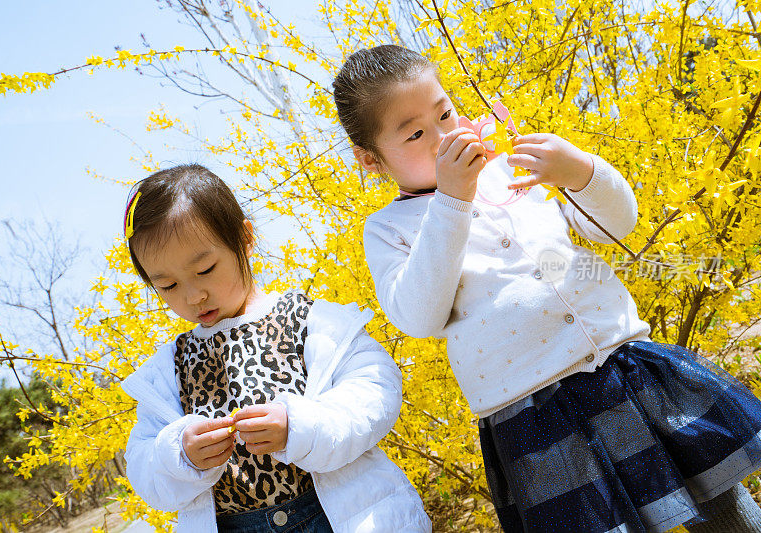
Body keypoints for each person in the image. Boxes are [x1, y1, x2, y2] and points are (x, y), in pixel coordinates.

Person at [333, 44, 761, 532]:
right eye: (415, 134)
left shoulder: (514, 170)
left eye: (446, 113)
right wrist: (451, 200)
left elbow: (615, 225)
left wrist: (579, 171)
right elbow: (418, 315)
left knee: (726, 512)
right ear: (371, 160)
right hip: (536, 415)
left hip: (621, 366)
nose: (444, 136)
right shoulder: (393, 228)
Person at [119, 164, 431, 533]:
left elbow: (375, 390)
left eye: (205, 270)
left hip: (336, 517)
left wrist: (298, 427)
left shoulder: (308, 320)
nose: (193, 295)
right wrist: (180, 455)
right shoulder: (170, 368)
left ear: (245, 238)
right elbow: (143, 466)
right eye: (168, 286)